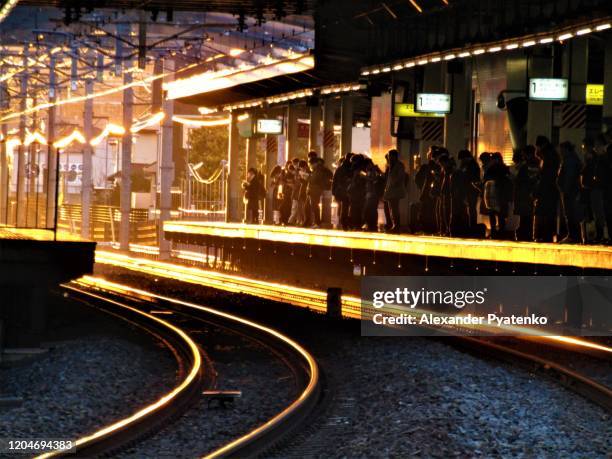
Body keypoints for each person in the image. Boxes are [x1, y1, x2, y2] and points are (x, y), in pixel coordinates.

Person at [533, 136, 560, 242]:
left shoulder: (548, 156)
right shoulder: (552, 155)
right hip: (550, 190)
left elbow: (544, 176)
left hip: (546, 190)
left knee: (542, 212)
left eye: (537, 146)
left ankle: (542, 235)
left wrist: (537, 190)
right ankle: (547, 235)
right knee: (548, 213)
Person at [557, 141, 583, 243]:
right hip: (570, 191)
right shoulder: (571, 159)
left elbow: (569, 177)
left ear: (566, 149)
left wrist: (565, 190)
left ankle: (573, 236)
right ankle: (573, 235)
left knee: (570, 213)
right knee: (570, 214)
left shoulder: (569, 160)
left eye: (562, 150)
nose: (560, 152)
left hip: (569, 192)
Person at [513, 145, 539, 241]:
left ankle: (525, 234)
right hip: (526, 194)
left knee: (526, 216)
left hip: (526, 195)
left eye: (524, 155)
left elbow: (527, 180)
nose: (523, 157)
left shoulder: (529, 165)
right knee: (526, 216)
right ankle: (525, 233)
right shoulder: (533, 164)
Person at [482, 152, 511, 238]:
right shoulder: (504, 168)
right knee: (500, 214)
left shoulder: (491, 169)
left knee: (493, 214)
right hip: (501, 194)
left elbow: (486, 179)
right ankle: (500, 232)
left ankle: (495, 232)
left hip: (493, 194)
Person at [383, 149, 406, 233]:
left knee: (394, 209)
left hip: (395, 191)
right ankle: (394, 225)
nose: (389, 157)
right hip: (390, 191)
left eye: (390, 155)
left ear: (394, 156)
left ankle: (396, 226)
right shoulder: (390, 165)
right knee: (392, 209)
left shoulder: (399, 165)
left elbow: (399, 177)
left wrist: (393, 183)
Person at [457, 149, 481, 231]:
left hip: (470, 190)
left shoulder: (471, 165)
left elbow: (468, 178)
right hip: (469, 190)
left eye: (462, 159)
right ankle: (471, 225)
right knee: (471, 208)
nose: (461, 161)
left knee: (471, 208)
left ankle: (472, 226)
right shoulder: (471, 164)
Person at [307, 157, 332, 228]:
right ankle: (317, 222)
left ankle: (318, 223)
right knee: (315, 207)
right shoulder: (318, 169)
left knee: (315, 206)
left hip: (315, 190)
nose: (310, 166)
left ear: (314, 164)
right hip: (316, 190)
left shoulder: (318, 170)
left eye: (311, 164)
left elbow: (314, 179)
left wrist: (308, 177)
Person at [332, 153, 353, 230]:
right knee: (346, 207)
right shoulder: (349, 168)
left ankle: (344, 223)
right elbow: (341, 180)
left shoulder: (340, 168)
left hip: (340, 191)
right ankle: (346, 223)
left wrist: (334, 191)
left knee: (344, 208)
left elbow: (334, 181)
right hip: (346, 191)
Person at [363, 158, 384, 231]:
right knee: (370, 210)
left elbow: (374, 179)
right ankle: (371, 225)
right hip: (371, 193)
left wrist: (366, 178)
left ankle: (372, 226)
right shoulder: (370, 170)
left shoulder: (373, 170)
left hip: (373, 193)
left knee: (371, 210)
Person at [348, 154, 367, 230]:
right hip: (358, 192)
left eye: (353, 161)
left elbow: (357, 181)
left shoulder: (357, 170)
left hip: (356, 192)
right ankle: (357, 225)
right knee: (357, 209)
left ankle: (356, 225)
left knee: (355, 209)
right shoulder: (362, 169)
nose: (352, 163)